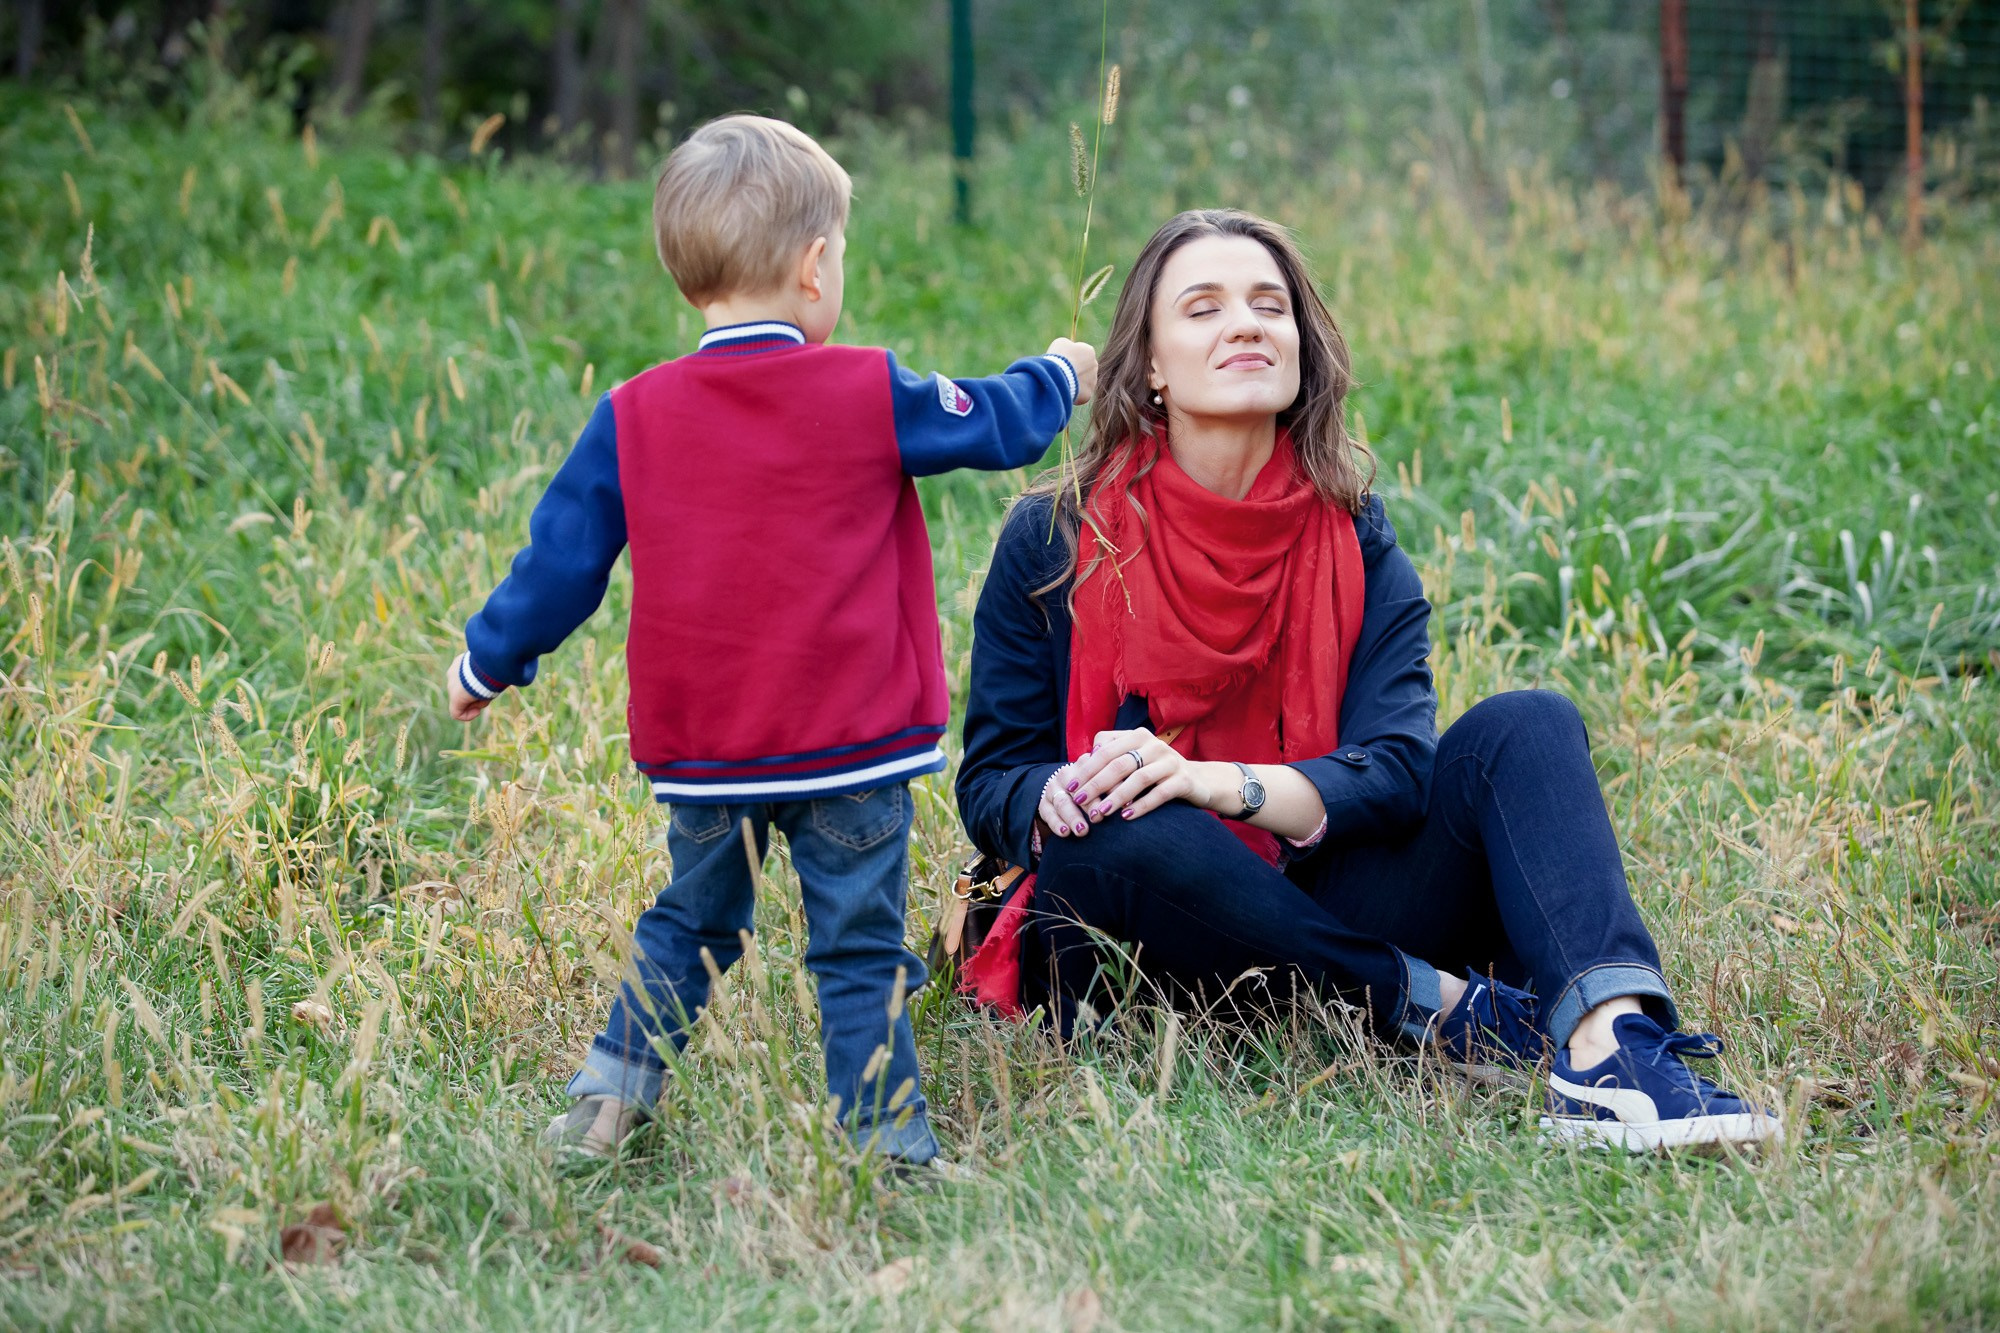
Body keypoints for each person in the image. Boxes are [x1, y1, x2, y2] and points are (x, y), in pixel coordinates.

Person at [955, 208, 1779, 1152]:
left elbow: (1395, 768)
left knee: (1528, 723)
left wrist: (1218, 782)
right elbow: (990, 784)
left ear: (1302, 344)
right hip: (1142, 944)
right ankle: (1443, 1007)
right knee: (1124, 821)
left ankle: (1613, 1048)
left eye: (1271, 305)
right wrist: (1065, 789)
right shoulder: (1057, 536)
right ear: (1147, 363)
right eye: (1204, 307)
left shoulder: (1351, 532)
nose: (1247, 325)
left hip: (1312, 891)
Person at [445, 114, 1098, 1164]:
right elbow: (993, 425)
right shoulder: (864, 389)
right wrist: (1060, 373)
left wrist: (487, 659)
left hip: (706, 758)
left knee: (687, 925)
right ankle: (885, 1145)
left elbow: (559, 563)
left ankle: (605, 1107)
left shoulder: (633, 413)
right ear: (811, 269)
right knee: (856, 948)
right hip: (852, 749)